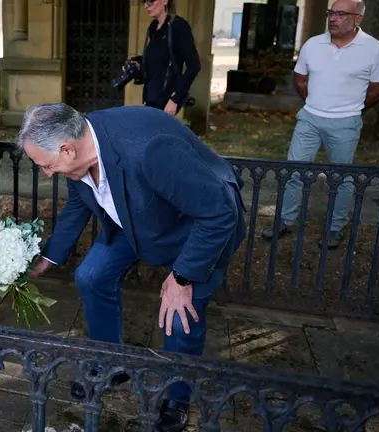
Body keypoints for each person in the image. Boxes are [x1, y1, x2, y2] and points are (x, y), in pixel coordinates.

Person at [18, 103, 247, 432]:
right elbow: (80, 203)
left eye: (47, 165)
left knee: (178, 316)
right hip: (135, 213)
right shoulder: (78, 150)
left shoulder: (151, 151)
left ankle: (178, 396)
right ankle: (112, 364)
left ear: (67, 149)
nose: (47, 173)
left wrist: (182, 278)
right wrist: (49, 256)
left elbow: (219, 213)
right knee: (91, 276)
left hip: (194, 224)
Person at [262, 0, 379, 249]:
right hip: (309, 119)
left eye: (340, 14)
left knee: (341, 178)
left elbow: (378, 90)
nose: (332, 18)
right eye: (331, 13)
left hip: (345, 123)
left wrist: (353, 110)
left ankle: (334, 228)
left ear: (357, 19)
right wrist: (315, 103)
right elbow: (300, 79)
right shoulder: (313, 44)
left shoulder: (374, 49)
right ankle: (284, 220)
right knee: (294, 171)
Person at [129, 0, 201, 116]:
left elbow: (194, 66)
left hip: (167, 101)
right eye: (144, 2)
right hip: (150, 98)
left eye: (150, 2)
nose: (146, 6)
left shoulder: (179, 26)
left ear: (164, 1)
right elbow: (157, 58)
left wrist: (175, 99)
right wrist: (137, 63)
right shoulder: (153, 27)